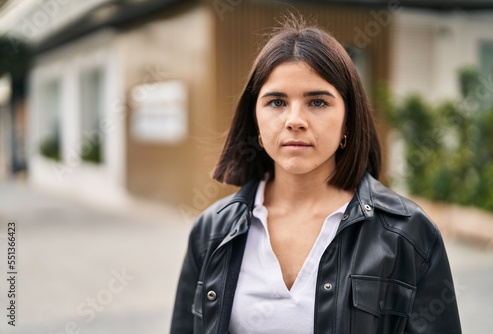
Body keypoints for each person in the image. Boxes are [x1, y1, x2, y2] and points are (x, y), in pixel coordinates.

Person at [170, 17, 462, 334]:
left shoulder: (408, 233)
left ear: (349, 121)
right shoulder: (212, 231)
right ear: (255, 118)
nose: (295, 120)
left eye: (318, 101)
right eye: (277, 101)